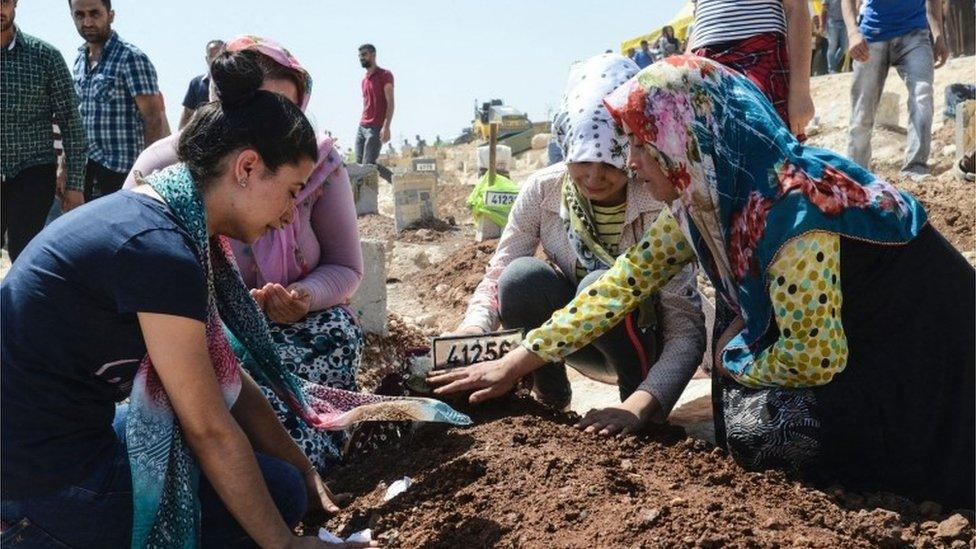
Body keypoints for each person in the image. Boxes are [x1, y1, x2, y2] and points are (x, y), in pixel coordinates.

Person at [430, 56, 974, 509]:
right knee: (744, 410)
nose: (633, 163)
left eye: (643, 147)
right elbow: (619, 286)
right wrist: (518, 360)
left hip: (923, 348)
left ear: (685, 142)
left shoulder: (789, 214)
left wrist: (736, 360)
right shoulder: (708, 200)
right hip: (862, 340)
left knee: (765, 428)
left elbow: (817, 355)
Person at [126, 36, 366, 473]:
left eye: (287, 113)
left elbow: (346, 266)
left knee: (323, 347)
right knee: (225, 393)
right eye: (261, 109)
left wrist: (302, 297)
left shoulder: (320, 166)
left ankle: (299, 452)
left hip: (298, 330)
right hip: (193, 334)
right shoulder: (164, 171)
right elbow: (146, 283)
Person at [445, 54, 705, 433]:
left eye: (611, 166)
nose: (595, 178)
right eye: (583, 162)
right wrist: (473, 331)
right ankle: (550, 397)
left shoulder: (658, 200)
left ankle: (635, 402)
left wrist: (641, 406)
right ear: (566, 147)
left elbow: (684, 328)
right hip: (567, 338)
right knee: (520, 279)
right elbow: (499, 271)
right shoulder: (543, 190)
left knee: (597, 284)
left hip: (642, 343)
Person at [1, 0, 88, 261]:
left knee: (24, 253)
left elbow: (71, 122)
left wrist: (75, 185)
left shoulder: (45, 56)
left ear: (15, 2)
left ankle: (19, 302)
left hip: (33, 171)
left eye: (4, 1)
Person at [69, 0, 169, 202]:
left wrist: (147, 175)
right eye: (80, 15)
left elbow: (154, 119)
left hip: (123, 172)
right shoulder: (80, 60)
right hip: (87, 171)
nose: (87, 21)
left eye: (94, 13)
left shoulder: (131, 58)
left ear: (111, 15)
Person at [843, 0, 948, 179]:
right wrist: (853, 33)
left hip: (914, 35)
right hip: (871, 36)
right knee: (862, 112)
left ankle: (915, 167)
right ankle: (857, 173)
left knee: (922, 95)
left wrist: (938, 34)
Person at [688, 0, 814, 137]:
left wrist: (800, 91)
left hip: (759, 49)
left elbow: (796, 6)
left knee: (769, 139)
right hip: (703, 57)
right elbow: (700, 16)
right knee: (715, 141)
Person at [355, 43, 393, 183]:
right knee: (359, 167)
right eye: (360, 56)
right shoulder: (364, 81)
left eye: (364, 55)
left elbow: (390, 102)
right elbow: (366, 104)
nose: (361, 58)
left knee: (367, 166)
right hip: (362, 127)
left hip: (376, 127)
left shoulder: (385, 75)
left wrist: (386, 126)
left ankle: (396, 180)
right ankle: (396, 180)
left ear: (373, 55)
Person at [178, 39, 225, 129]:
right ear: (207, 59)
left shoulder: (235, 82)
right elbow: (187, 114)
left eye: (219, 56)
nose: (216, 60)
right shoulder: (197, 83)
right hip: (203, 136)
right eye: (212, 56)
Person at [821, 0, 847, 73]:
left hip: (844, 23)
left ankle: (833, 64)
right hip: (832, 23)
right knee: (832, 46)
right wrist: (822, 26)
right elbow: (823, 10)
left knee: (844, 47)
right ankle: (832, 69)